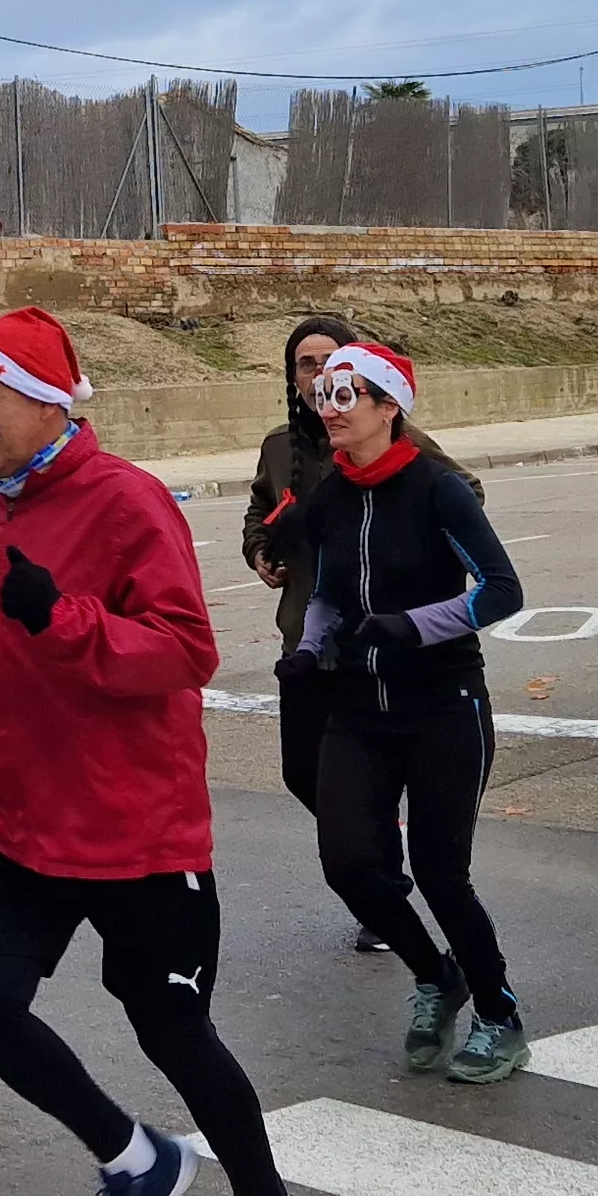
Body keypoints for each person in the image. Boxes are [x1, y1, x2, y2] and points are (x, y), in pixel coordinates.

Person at [0, 306, 328, 1196]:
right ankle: (133, 1158)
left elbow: (182, 650)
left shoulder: (125, 501)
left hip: (133, 824)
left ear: (42, 399)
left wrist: (58, 618)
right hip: (19, 819)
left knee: (170, 1029)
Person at [273, 338, 534, 1083]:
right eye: (324, 396)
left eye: (347, 396)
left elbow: (502, 589)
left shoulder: (437, 489)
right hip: (357, 707)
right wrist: (310, 648)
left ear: (390, 407)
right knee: (349, 864)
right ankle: (435, 976)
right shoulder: (331, 496)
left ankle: (498, 1012)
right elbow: (323, 592)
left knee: (441, 872)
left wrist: (414, 625)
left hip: (444, 705)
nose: (331, 411)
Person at [244, 308, 402, 949]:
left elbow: (459, 493)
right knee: (299, 771)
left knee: (359, 774)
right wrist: (260, 549)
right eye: (304, 365)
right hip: (302, 641)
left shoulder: (384, 437)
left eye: (329, 363)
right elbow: (261, 506)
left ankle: (380, 888)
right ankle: (378, 842)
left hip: (369, 640)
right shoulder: (280, 447)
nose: (317, 376)